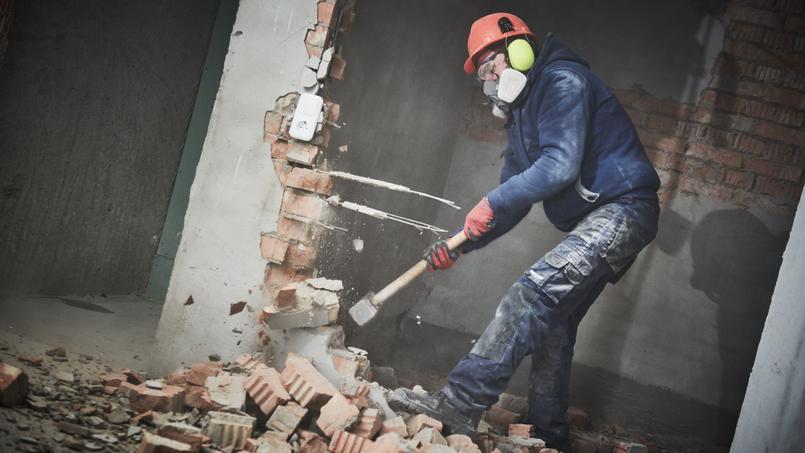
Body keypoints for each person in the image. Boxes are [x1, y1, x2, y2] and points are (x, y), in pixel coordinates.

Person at [389, 12, 661, 452]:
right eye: (483, 75)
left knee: (531, 295)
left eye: (492, 66)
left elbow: (560, 165)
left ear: (521, 50)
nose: (491, 81)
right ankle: (547, 435)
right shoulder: (521, 118)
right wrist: (462, 244)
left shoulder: (562, 82)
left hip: (624, 210)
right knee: (552, 324)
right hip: (603, 218)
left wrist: (491, 204)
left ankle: (460, 401)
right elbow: (510, 202)